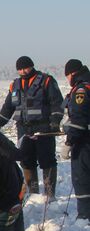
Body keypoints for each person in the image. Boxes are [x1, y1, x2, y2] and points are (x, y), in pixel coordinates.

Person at [0, 56, 64, 198]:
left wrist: (55, 121)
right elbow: (8, 108)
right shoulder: (15, 85)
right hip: (23, 129)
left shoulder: (46, 80)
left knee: (47, 160)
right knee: (26, 161)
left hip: (44, 128)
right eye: (20, 69)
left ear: (32, 66)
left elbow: (57, 103)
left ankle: (50, 194)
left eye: (25, 68)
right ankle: (34, 194)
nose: (23, 71)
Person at [62, 59, 90, 220]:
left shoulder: (81, 89)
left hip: (84, 141)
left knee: (82, 178)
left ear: (72, 73)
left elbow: (79, 119)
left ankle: (85, 217)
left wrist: (69, 142)